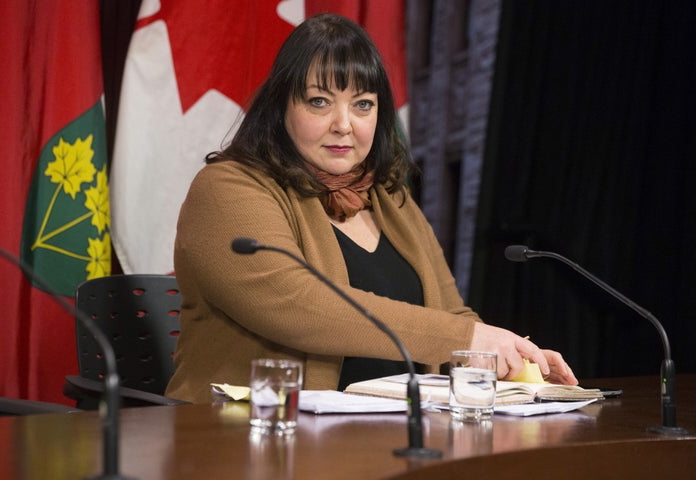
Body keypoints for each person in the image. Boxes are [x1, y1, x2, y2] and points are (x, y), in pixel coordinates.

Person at [165, 13, 577, 404]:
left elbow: (451, 314)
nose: (344, 124)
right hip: (248, 438)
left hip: (393, 436)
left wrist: (512, 359)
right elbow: (299, 305)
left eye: (362, 104)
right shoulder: (227, 188)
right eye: (319, 102)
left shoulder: (389, 198)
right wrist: (469, 336)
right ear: (281, 108)